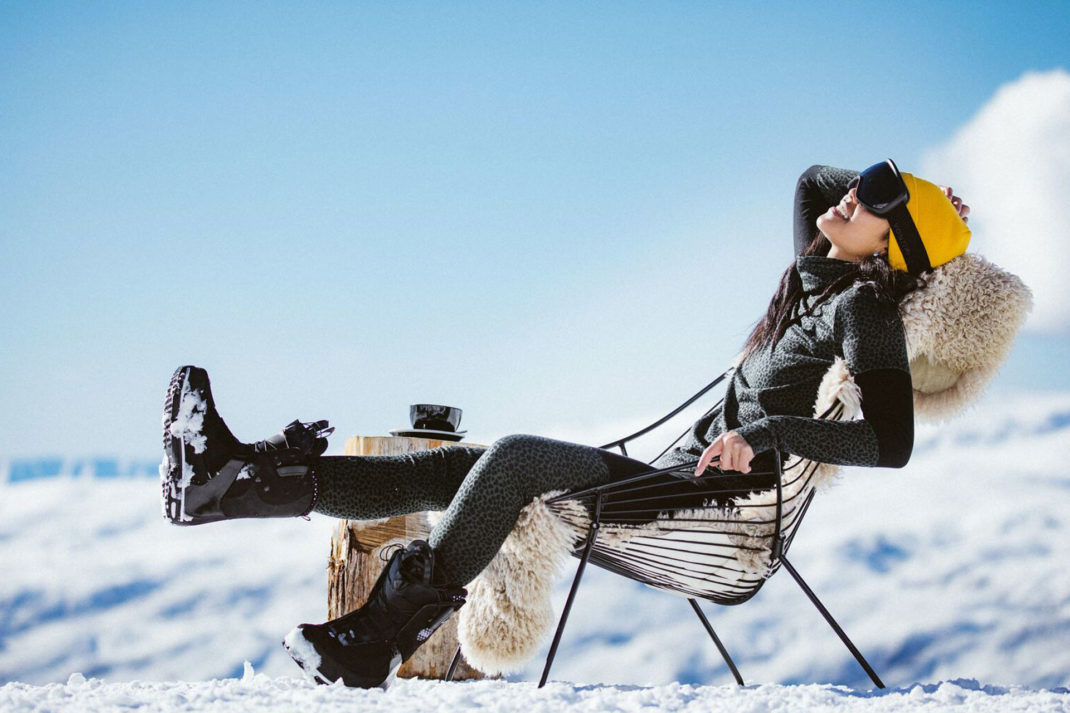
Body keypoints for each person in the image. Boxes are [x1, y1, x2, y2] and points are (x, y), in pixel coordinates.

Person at [160, 159, 971, 688]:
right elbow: (809, 181)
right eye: (866, 182)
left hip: (702, 513)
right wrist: (919, 203)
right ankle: (229, 485)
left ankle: (374, 641)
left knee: (512, 457)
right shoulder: (814, 282)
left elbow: (890, 444)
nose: (851, 193)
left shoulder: (864, 308)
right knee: (467, 467)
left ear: (891, 247)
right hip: (666, 487)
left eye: (879, 199)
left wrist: (764, 436)